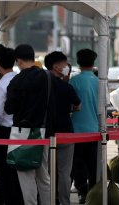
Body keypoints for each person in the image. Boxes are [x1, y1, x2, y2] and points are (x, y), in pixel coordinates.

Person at [5, 44, 51, 205]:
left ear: (18, 61)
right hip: (43, 130)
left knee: (26, 175)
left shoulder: (16, 81)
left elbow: (9, 108)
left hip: (21, 132)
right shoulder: (46, 76)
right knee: (43, 175)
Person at [0, 47, 23, 205]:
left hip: (3, 133)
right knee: (20, 171)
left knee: (4, 172)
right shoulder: (21, 79)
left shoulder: (1, 86)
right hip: (21, 130)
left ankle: (8, 200)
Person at [44, 51, 80, 205]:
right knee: (65, 172)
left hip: (46, 133)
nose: (67, 68)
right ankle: (65, 201)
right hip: (66, 132)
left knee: (46, 171)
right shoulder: (66, 87)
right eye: (65, 65)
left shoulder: (42, 85)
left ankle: (49, 200)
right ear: (56, 67)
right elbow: (78, 106)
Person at [69, 49, 100, 204]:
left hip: (76, 129)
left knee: (77, 162)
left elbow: (70, 104)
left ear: (78, 62)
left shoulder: (73, 80)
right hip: (94, 129)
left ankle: (82, 190)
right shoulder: (99, 81)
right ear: (93, 62)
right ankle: (94, 193)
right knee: (93, 163)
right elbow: (103, 106)